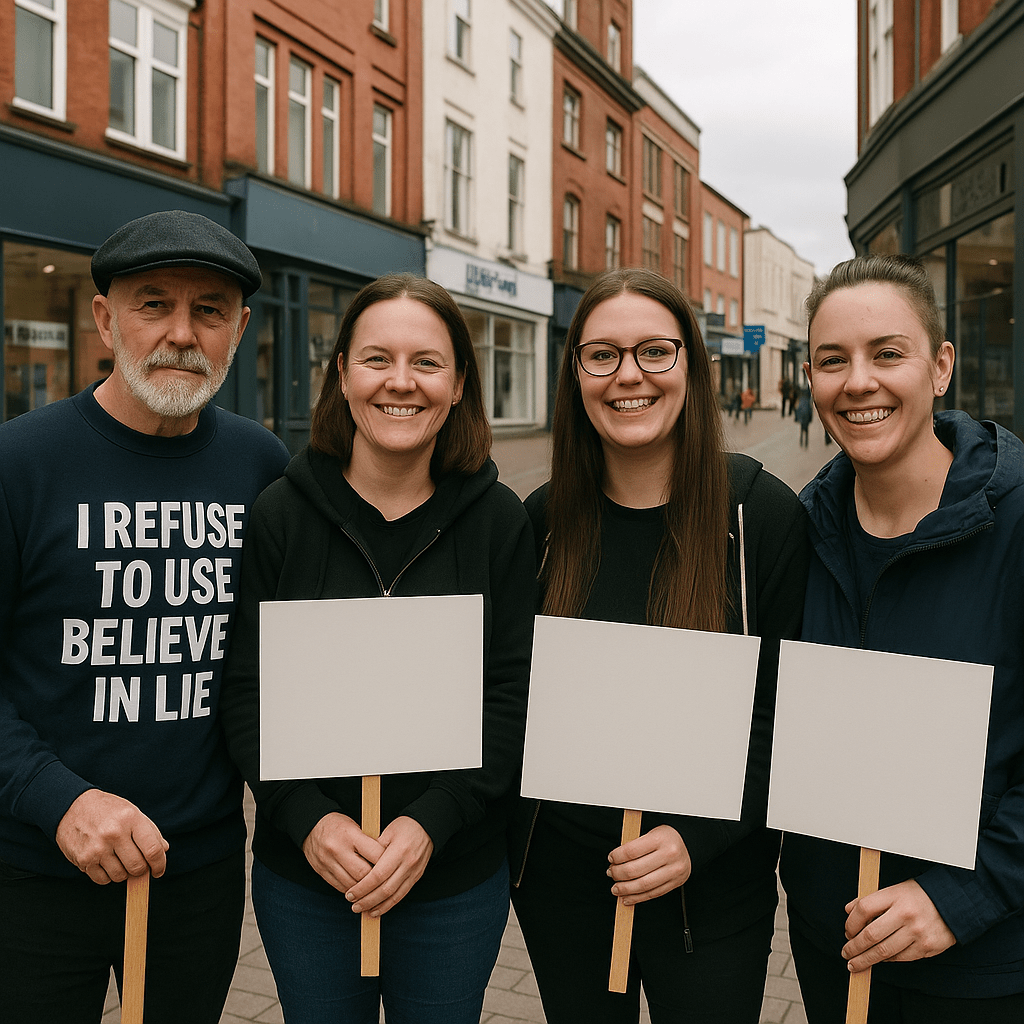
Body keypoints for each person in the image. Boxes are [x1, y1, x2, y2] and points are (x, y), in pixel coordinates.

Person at [219, 273, 535, 1024]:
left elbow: (511, 695)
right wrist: (305, 816)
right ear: (342, 374)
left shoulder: (498, 522)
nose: (401, 382)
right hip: (308, 880)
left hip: (452, 881)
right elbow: (244, 689)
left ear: (459, 383)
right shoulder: (281, 516)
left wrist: (435, 818)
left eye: (427, 362)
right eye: (376, 359)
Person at [0, 209, 290, 1024]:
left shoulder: (262, 464)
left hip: (194, 874)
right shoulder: (20, 464)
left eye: (209, 309)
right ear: (104, 317)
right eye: (153, 303)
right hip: (35, 865)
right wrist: (60, 799)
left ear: (239, 327)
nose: (181, 333)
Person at [510, 268, 809, 1023]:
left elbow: (787, 717)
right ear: (575, 372)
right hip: (564, 889)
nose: (628, 376)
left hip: (708, 895)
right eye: (602, 354)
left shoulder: (758, 518)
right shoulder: (542, 522)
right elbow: (510, 693)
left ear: (691, 367)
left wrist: (697, 838)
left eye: (654, 351)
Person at [780, 254, 1024, 1022]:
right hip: (833, 947)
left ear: (940, 366)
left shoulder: (1015, 521)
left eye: (888, 353)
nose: (858, 382)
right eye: (832, 360)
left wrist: (963, 895)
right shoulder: (801, 528)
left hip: (976, 962)